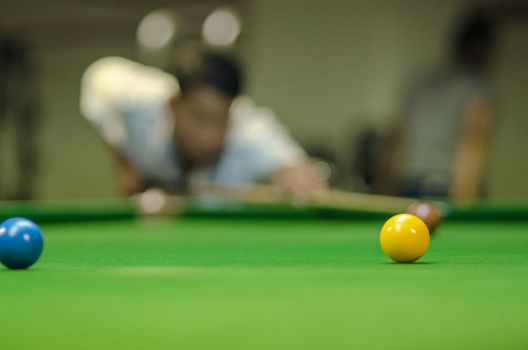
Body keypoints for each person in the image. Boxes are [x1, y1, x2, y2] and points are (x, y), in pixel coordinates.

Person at [80, 51, 326, 198]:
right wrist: (124, 164)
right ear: (174, 105)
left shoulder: (250, 129)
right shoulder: (141, 98)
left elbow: (296, 168)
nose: (209, 136)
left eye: (220, 120)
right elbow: (96, 77)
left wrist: (300, 179)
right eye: (199, 117)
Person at [375, 13, 497, 200]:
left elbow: (394, 137)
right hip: (448, 188)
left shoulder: (420, 81)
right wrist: (465, 201)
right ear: (482, 47)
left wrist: (383, 191)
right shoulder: (477, 85)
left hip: (408, 184)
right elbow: (474, 142)